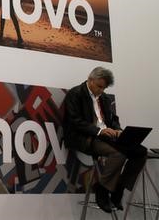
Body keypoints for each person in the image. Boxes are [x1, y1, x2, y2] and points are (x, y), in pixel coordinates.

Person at [63, 67, 148, 213]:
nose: (101, 90)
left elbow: (113, 120)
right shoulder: (75, 94)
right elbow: (75, 121)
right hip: (85, 137)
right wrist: (100, 130)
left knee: (141, 152)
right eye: (99, 86)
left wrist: (118, 131)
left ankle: (118, 188)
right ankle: (102, 189)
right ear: (90, 80)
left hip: (107, 136)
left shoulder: (105, 98)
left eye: (104, 87)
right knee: (118, 154)